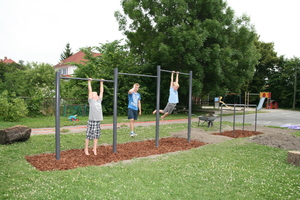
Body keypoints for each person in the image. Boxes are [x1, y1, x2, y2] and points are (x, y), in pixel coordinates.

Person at [84, 78, 104, 155]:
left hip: (98, 120)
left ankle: (94, 148)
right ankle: (86, 149)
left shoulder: (99, 101)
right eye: (96, 94)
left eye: (97, 94)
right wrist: (89, 82)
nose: (98, 95)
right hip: (92, 120)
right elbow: (90, 91)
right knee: (89, 136)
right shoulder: (91, 101)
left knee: (96, 136)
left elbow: (101, 91)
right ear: (92, 96)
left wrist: (101, 83)